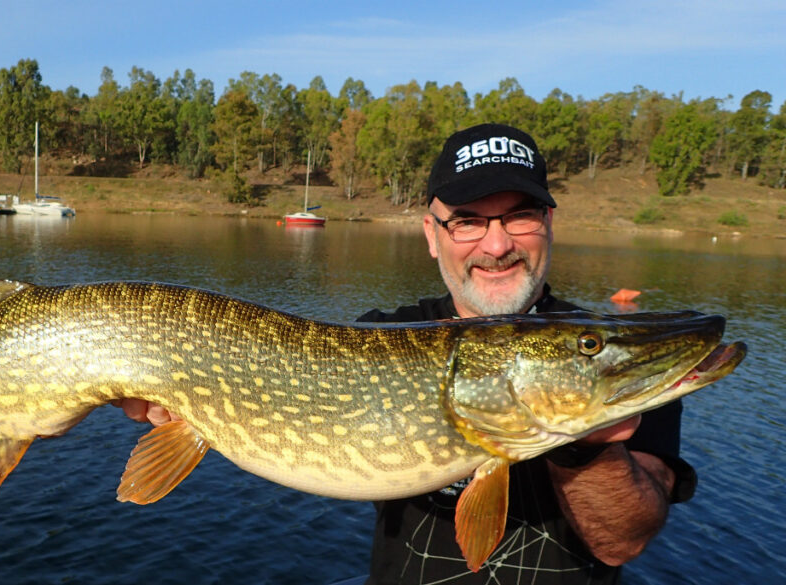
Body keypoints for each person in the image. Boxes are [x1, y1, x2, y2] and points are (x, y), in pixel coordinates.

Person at [114, 124, 697, 584]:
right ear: (431, 235)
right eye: (467, 221)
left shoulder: (603, 356)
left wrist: (585, 442)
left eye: (519, 215)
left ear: (548, 224)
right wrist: (181, 400)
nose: (497, 244)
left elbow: (622, 541)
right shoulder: (376, 338)